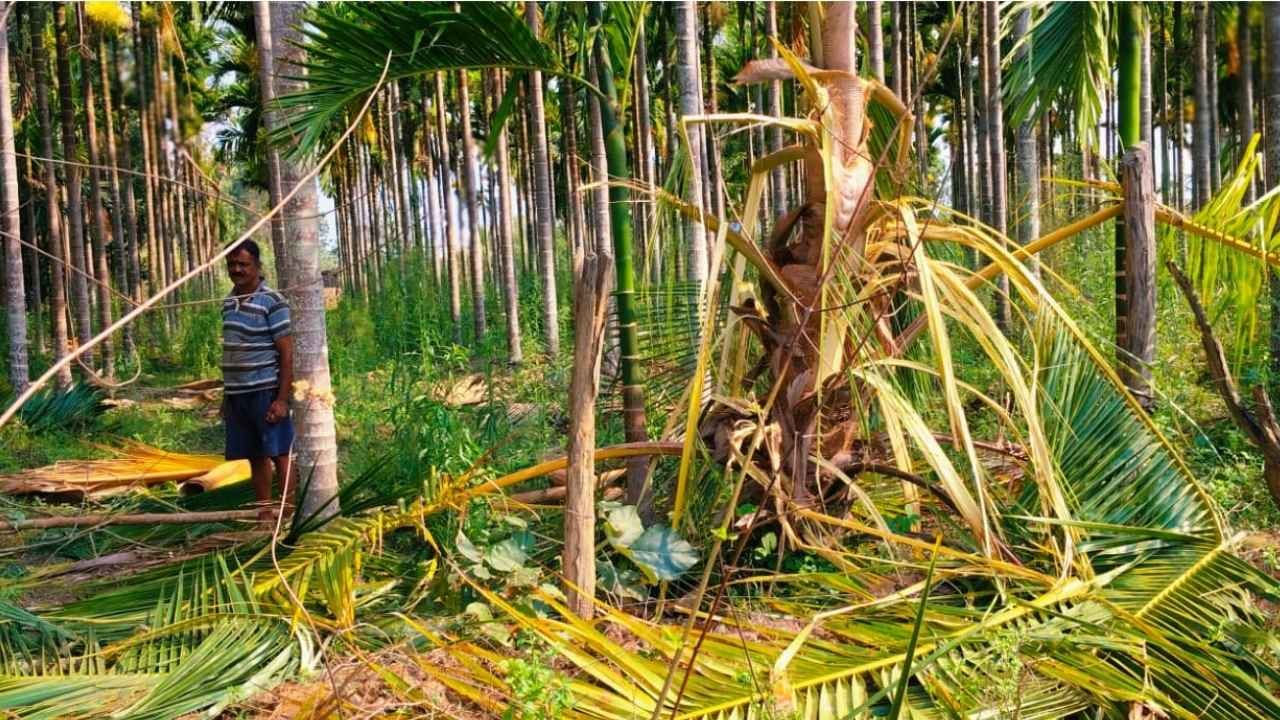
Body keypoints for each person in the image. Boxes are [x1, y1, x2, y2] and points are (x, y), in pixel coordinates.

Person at [220, 240, 295, 526]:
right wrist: (226, 397)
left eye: (244, 264)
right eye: (232, 264)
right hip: (238, 393)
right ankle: (264, 514)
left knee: (280, 453)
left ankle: (287, 514)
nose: (237, 270)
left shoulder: (272, 301)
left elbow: (287, 353)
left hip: (265, 390)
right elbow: (231, 350)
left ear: (257, 265)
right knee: (255, 455)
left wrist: (282, 399)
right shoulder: (228, 303)